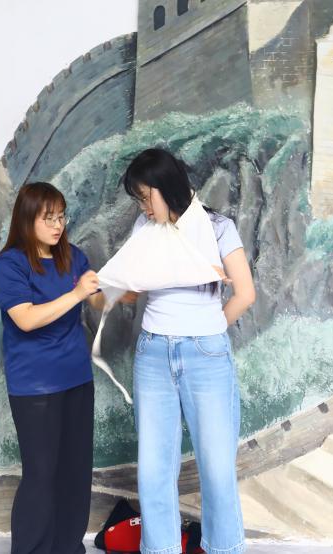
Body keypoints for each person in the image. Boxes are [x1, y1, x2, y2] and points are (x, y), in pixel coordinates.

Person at [122, 148, 256, 554]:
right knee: (154, 470)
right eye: (139, 200)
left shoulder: (218, 227)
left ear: (166, 188)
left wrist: (208, 331)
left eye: (146, 197)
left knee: (216, 468)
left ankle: (224, 548)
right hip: (153, 353)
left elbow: (244, 293)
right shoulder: (144, 229)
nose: (144, 208)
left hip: (205, 354)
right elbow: (129, 292)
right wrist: (108, 286)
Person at [0, 182, 104, 554]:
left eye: (61, 217)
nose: (58, 225)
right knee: (40, 475)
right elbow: (26, 319)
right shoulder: (9, 265)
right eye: (48, 218)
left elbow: (99, 301)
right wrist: (76, 293)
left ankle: (68, 548)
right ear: (27, 219)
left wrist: (129, 287)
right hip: (34, 386)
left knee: (75, 472)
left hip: (77, 378)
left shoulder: (74, 256)